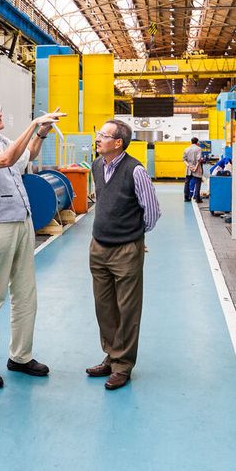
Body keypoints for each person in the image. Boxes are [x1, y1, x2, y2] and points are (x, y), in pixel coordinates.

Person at [0, 95, 65, 388]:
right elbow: (4, 162)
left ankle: (20, 355)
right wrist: (32, 124)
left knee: (25, 293)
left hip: (21, 223)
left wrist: (41, 132)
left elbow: (23, 157)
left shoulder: (3, 141)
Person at [86, 119, 160, 390]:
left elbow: (152, 211)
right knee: (104, 307)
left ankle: (123, 364)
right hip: (98, 247)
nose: (98, 139)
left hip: (126, 249)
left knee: (127, 309)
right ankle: (111, 354)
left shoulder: (135, 170)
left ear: (118, 142)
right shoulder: (96, 166)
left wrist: (135, 238)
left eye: (103, 135)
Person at [183, 137, 203, 203]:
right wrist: (195, 168)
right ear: (197, 142)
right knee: (198, 182)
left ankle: (186, 197)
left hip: (189, 168)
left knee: (187, 182)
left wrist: (189, 166)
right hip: (196, 168)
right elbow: (199, 159)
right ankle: (197, 198)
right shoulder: (199, 149)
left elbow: (184, 160)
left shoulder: (186, 149)